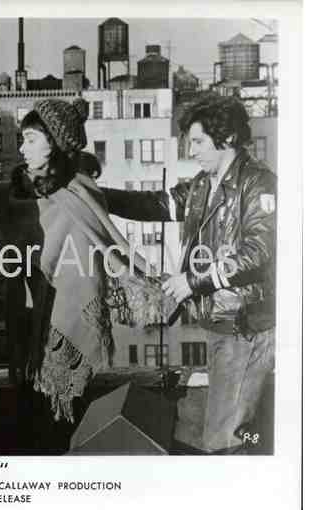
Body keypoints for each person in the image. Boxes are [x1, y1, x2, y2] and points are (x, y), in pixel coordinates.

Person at [101, 94, 276, 454]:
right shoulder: (202, 184)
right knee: (204, 431)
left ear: (227, 138)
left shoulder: (258, 183)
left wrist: (192, 282)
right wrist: (94, 195)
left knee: (226, 439)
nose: (191, 150)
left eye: (197, 142)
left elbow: (258, 253)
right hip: (218, 326)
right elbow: (154, 204)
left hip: (244, 329)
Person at [4, 98, 173, 453]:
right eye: (23, 139)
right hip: (25, 308)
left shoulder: (79, 191)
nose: (22, 148)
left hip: (65, 315)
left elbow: (104, 245)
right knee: (26, 413)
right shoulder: (19, 194)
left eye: (31, 139)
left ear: (55, 143)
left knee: (61, 417)